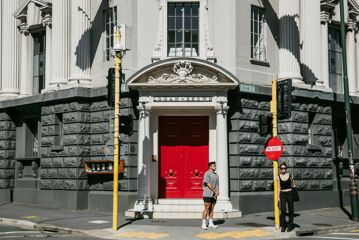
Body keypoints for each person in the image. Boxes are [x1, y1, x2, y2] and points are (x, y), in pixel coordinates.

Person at [278, 162, 296, 232]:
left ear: (286, 168)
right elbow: (279, 187)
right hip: (282, 194)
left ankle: (290, 225)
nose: (283, 169)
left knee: (291, 210)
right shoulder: (278, 176)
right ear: (280, 169)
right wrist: (278, 197)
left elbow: (294, 184)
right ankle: (283, 226)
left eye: (284, 168)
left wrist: (294, 184)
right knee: (283, 210)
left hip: (289, 193)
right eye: (281, 168)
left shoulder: (290, 175)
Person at [202, 161, 219, 230]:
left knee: (212, 208)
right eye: (214, 165)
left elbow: (217, 185)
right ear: (210, 167)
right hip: (207, 194)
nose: (215, 167)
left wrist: (217, 191)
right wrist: (214, 190)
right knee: (206, 208)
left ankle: (211, 223)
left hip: (214, 195)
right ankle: (203, 224)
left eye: (215, 165)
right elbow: (208, 184)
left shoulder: (216, 175)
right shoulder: (207, 173)